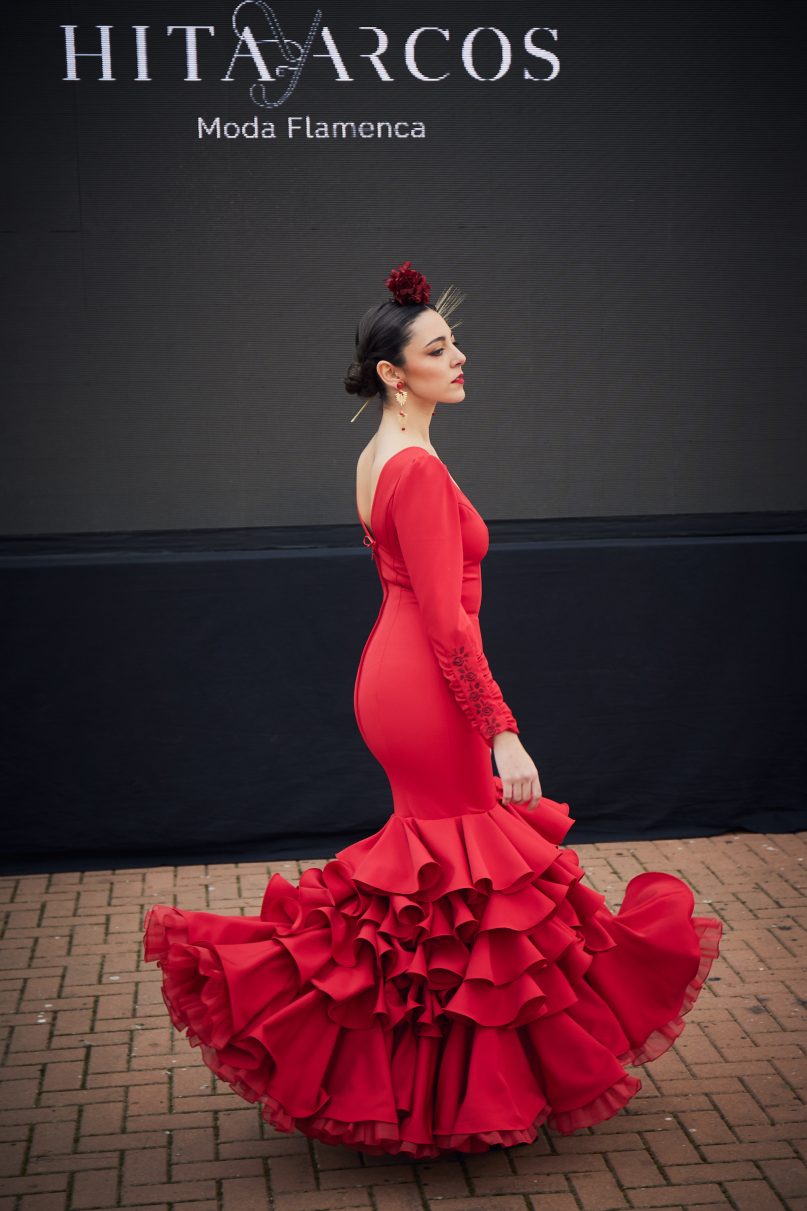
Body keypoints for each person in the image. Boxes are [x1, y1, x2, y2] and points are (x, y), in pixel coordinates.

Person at [142, 260, 723, 1159]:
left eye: (454, 343)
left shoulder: (383, 452)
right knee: (460, 884)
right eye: (439, 347)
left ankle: (441, 1084)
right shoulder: (410, 465)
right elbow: (450, 626)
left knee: (447, 890)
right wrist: (502, 730)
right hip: (425, 683)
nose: (461, 358)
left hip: (399, 671)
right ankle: (435, 1082)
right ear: (391, 371)